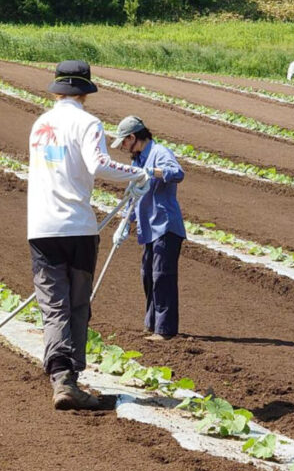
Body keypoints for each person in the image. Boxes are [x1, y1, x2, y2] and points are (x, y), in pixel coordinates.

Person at [28, 61, 151, 410]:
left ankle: (60, 377)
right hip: (78, 229)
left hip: (40, 228)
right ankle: (70, 378)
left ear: (57, 90)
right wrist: (136, 174)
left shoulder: (40, 125)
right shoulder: (87, 123)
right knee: (77, 304)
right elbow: (98, 164)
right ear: (85, 92)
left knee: (53, 306)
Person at [110, 115, 186, 341]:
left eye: (123, 142)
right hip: (148, 227)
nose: (123, 147)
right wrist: (125, 223)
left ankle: (165, 330)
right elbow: (134, 197)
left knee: (162, 276)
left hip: (165, 225)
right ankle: (151, 325)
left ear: (133, 137)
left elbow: (178, 173)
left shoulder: (159, 153)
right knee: (148, 276)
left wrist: (153, 172)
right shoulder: (137, 161)